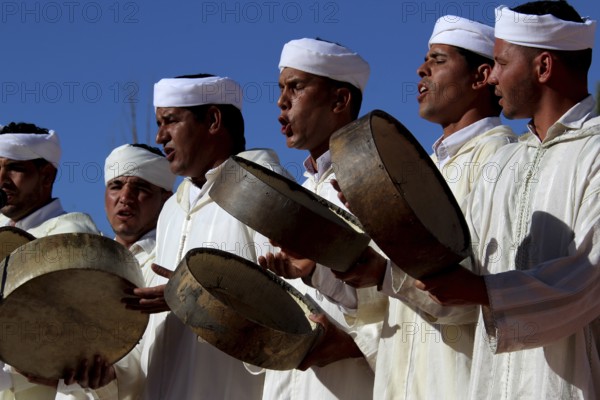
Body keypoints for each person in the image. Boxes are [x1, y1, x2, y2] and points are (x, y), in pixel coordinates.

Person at [413, 2, 600, 398]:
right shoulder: (504, 163)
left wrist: (484, 291)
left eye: (500, 62)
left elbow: (588, 281)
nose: (491, 75)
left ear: (543, 67)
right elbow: (462, 291)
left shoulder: (594, 152)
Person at [337, 16, 518, 400]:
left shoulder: (501, 159)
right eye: (425, 59)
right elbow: (378, 312)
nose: (421, 69)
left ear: (481, 76)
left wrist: (387, 273)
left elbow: (479, 295)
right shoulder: (424, 170)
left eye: (437, 59)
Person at [127, 74, 288, 399]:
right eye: (159, 123)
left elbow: (288, 308)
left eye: (170, 121)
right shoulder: (172, 208)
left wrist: (192, 297)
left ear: (213, 120)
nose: (159, 136)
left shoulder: (263, 187)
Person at [258, 38, 384, 400]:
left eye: (295, 87)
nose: (282, 101)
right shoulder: (298, 192)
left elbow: (400, 296)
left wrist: (316, 271)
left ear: (340, 101)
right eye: (281, 89)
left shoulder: (376, 180)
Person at [0, 122, 103, 399]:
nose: (1, 179)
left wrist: (9, 378)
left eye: (15, 168)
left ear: (46, 176)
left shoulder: (72, 235)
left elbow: (81, 339)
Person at [104, 143, 175, 282]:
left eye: (140, 188)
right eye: (116, 186)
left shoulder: (173, 255)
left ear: (165, 199)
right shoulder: (94, 257)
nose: (125, 198)